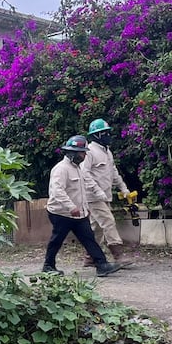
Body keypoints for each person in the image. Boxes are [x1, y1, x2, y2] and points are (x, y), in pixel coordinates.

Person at [43, 135, 121, 277]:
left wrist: (100, 195)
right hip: (61, 213)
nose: (85, 155)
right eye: (82, 152)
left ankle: (101, 264)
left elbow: (87, 185)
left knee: (89, 238)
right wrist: (71, 207)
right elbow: (57, 191)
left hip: (79, 213)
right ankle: (48, 266)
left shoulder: (78, 169)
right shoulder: (61, 169)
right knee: (57, 240)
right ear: (73, 152)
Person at [81, 118, 132, 265]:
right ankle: (118, 256)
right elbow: (85, 174)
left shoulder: (107, 152)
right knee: (108, 221)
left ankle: (90, 257)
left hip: (105, 195)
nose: (108, 135)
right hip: (93, 196)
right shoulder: (89, 152)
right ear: (96, 135)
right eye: (104, 133)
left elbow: (114, 172)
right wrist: (97, 191)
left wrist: (123, 188)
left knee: (96, 227)